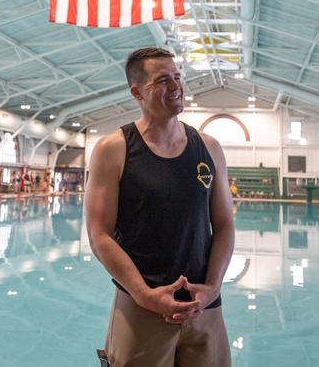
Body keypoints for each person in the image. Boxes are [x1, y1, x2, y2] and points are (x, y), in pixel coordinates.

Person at [85, 47, 235, 367]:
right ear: (137, 92)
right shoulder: (114, 149)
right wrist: (143, 294)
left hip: (204, 307)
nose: (176, 86)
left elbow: (224, 224)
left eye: (177, 77)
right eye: (162, 80)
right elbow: (99, 234)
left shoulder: (208, 147)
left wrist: (211, 288)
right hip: (141, 309)